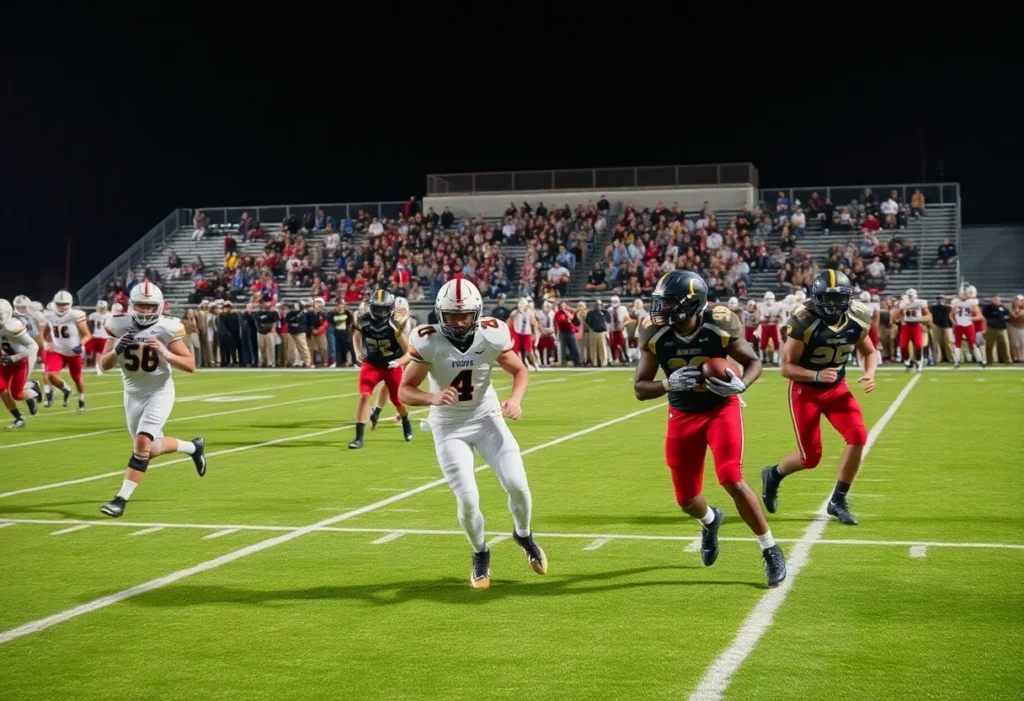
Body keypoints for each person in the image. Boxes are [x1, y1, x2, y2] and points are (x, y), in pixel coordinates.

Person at [633, 270, 786, 588]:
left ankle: (769, 547)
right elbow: (640, 387)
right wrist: (666, 382)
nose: (660, 310)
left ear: (690, 304)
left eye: (669, 303)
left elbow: (754, 361)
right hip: (682, 413)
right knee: (686, 499)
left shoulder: (719, 321)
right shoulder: (654, 331)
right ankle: (710, 519)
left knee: (731, 477)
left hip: (720, 409)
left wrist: (741, 384)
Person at [399, 278, 545, 589]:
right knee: (468, 500)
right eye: (452, 315)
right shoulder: (428, 340)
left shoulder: (492, 334)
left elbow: (520, 370)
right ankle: (480, 552)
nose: (460, 321)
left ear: (477, 313)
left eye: (465, 315)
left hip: (488, 419)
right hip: (449, 426)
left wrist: (516, 399)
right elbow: (405, 390)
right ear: (441, 314)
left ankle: (523, 534)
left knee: (518, 485)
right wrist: (432, 397)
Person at [761, 270, 877, 526]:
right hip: (805, 392)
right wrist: (815, 375)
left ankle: (838, 500)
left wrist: (870, 373)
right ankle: (773, 474)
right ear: (816, 297)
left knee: (858, 436)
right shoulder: (804, 321)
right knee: (810, 458)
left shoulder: (857, 317)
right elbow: (786, 368)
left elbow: (870, 351)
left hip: (837, 389)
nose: (834, 305)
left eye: (839, 298)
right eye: (828, 298)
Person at [97, 282, 206, 517]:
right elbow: (103, 366)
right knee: (152, 448)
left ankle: (120, 499)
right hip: (132, 394)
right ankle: (193, 447)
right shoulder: (117, 324)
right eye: (141, 306)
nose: (146, 311)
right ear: (132, 306)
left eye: (150, 306)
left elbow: (190, 365)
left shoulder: (168, 327)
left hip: (159, 392)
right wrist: (116, 351)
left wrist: (166, 353)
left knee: (142, 444)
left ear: (159, 306)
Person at [349, 290, 414, 449]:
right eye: (377, 308)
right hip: (371, 364)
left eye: (383, 309)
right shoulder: (363, 320)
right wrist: (358, 352)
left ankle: (406, 420)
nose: (380, 312)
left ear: (390, 308)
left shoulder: (395, 324)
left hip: (390, 365)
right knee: (364, 396)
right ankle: (358, 438)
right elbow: (356, 336)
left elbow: (410, 352)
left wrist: (398, 362)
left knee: (397, 400)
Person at [41, 290, 91, 412]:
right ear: (55, 303)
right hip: (57, 351)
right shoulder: (49, 315)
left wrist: (81, 344)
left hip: (73, 352)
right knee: (50, 375)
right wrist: (48, 343)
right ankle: (67, 390)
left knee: (77, 378)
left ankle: (81, 398)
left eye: (64, 304)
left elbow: (87, 335)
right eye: (59, 304)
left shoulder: (76, 315)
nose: (62, 307)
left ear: (70, 303)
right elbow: (45, 332)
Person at [370, 296, 414, 427]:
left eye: (403, 310)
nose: (401, 313)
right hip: (393, 356)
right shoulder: (389, 322)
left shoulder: (404, 322)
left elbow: (405, 345)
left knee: (398, 386)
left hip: (402, 356)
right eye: (398, 310)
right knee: (386, 386)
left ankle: (400, 413)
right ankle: (377, 411)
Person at [0, 298, 42, 429]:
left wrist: (13, 358)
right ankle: (19, 418)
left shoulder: (12, 326)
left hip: (19, 361)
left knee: (17, 394)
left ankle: (33, 389)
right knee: (1, 388)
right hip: (4, 360)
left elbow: (33, 347)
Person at [895, 288, 930, 372]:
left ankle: (918, 361)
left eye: (911, 296)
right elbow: (896, 316)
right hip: (906, 326)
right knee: (903, 346)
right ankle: (907, 361)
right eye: (909, 296)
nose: (910, 298)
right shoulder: (903, 303)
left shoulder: (920, 303)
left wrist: (920, 319)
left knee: (918, 345)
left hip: (916, 326)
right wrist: (900, 316)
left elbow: (928, 316)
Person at [950, 286, 985, 368]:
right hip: (961, 325)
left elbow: (979, 316)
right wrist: (954, 322)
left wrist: (970, 318)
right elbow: (951, 314)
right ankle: (957, 362)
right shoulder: (967, 302)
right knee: (958, 343)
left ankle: (980, 360)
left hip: (968, 325)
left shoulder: (969, 303)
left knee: (972, 343)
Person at [509, 298, 540, 371]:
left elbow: (535, 324)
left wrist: (535, 333)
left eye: (522, 305)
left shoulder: (529, 313)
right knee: (516, 350)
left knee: (530, 351)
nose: (521, 307)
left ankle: (536, 365)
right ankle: (519, 365)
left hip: (527, 334)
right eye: (520, 305)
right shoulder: (514, 313)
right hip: (517, 333)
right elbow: (510, 322)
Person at [982, 295, 1012, 365]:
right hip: (991, 328)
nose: (997, 301)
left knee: (1005, 344)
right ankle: (989, 360)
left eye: (998, 299)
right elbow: (983, 318)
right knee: (989, 345)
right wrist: (984, 328)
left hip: (1002, 329)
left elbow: (1008, 316)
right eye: (995, 299)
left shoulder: (1003, 308)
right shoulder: (988, 308)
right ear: (992, 300)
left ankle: (1007, 360)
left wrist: (1007, 317)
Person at [757, 291, 783, 365]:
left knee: (776, 343)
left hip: (774, 326)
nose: (769, 300)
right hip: (764, 326)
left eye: (770, 299)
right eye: (767, 299)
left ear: (774, 299)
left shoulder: (778, 306)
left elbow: (780, 319)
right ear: (764, 299)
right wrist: (766, 319)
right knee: (763, 343)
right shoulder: (761, 306)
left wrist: (774, 318)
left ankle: (775, 360)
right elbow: (758, 319)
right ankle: (762, 359)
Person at [87, 301, 112, 375]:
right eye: (100, 308)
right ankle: (99, 367)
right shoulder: (109, 315)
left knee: (100, 353)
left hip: (98, 336)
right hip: (102, 336)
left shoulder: (93, 315)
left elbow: (90, 326)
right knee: (100, 353)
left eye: (102, 308)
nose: (101, 309)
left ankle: (99, 367)